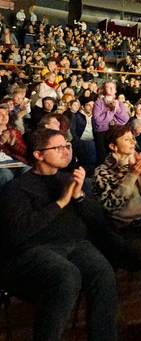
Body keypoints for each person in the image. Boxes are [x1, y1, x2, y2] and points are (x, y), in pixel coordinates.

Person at [0, 128, 120, 341]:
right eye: (58, 148)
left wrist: (80, 196)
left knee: (103, 272)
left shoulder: (71, 179)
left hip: (76, 245)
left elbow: (98, 222)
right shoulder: (16, 188)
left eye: (67, 146)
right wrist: (60, 203)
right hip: (34, 250)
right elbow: (19, 233)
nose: (66, 151)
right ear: (38, 154)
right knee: (66, 275)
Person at [91, 124, 141, 341]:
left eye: (132, 138)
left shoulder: (138, 164)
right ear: (113, 147)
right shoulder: (102, 172)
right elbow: (112, 205)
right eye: (127, 139)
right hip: (126, 230)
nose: (133, 142)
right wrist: (131, 176)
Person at [92, 81, 130, 163]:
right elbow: (98, 121)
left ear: (115, 90)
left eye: (113, 87)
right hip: (102, 133)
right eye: (108, 87)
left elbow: (125, 119)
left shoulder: (119, 103)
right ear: (104, 90)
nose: (111, 89)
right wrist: (112, 111)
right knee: (103, 158)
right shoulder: (98, 103)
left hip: (115, 132)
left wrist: (118, 109)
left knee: (117, 157)